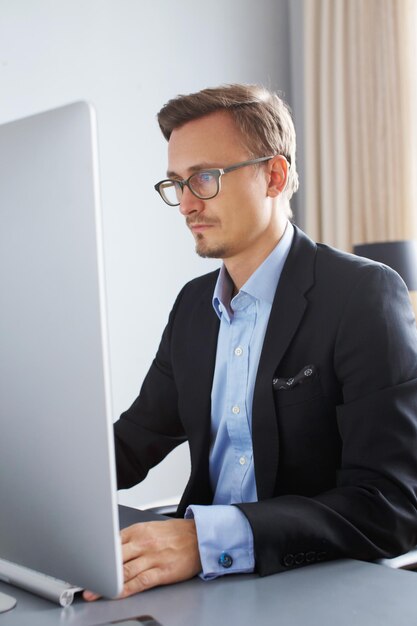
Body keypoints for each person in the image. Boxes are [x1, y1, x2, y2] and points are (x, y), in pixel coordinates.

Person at [84, 84, 417, 601]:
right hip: (202, 590)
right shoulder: (194, 307)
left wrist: (205, 539)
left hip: (308, 590)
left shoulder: (362, 296)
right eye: (177, 183)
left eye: (205, 178)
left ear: (275, 175)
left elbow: (389, 505)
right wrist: (31, 487)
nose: (186, 204)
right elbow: (132, 442)